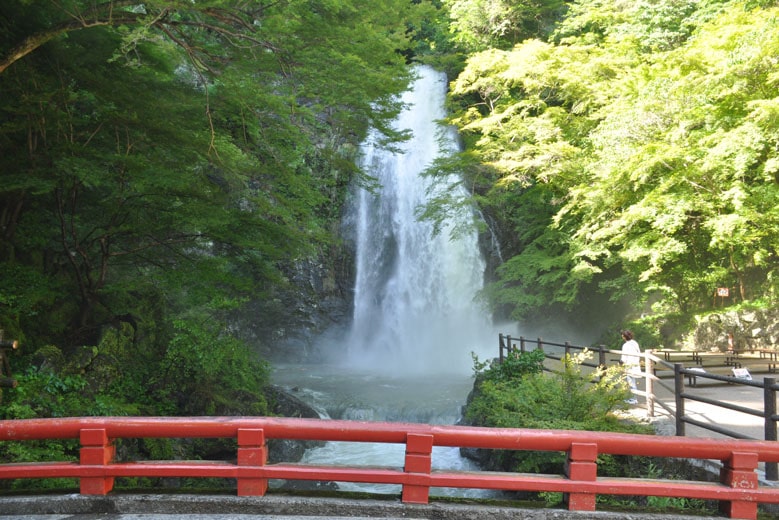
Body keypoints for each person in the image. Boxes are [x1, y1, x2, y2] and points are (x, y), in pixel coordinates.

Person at [620, 330, 641, 404]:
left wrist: (621, 364)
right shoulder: (635, 343)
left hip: (629, 365)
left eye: (622, 335)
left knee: (631, 382)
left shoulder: (625, 345)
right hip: (635, 364)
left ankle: (634, 399)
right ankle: (633, 398)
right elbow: (639, 353)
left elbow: (623, 358)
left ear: (624, 337)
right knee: (633, 381)